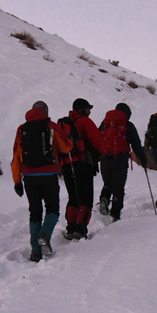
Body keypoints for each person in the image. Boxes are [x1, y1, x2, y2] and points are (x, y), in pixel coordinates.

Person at [11, 101, 73, 262]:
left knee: (35, 211)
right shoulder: (51, 126)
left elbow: (16, 157)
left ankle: (35, 251)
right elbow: (65, 148)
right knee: (52, 208)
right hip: (49, 174)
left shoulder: (21, 129)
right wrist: (70, 140)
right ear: (45, 111)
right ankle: (45, 233)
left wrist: (17, 181)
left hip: (30, 177)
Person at [59, 98, 106, 240]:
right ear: (82, 109)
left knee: (73, 197)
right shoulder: (84, 121)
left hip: (66, 164)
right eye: (88, 108)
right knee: (86, 197)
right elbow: (97, 141)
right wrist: (102, 154)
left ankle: (71, 226)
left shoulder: (62, 123)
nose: (90, 111)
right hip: (82, 164)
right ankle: (81, 228)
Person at [98, 103, 148, 222]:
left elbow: (97, 138)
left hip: (105, 159)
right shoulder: (128, 126)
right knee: (118, 188)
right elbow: (136, 144)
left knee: (107, 183)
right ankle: (115, 214)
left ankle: (104, 198)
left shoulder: (105, 124)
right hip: (120, 161)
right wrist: (143, 159)